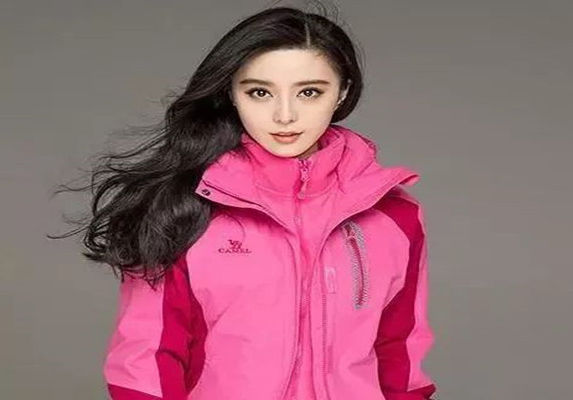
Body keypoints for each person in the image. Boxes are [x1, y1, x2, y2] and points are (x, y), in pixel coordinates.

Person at [56, 4, 437, 399]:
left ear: (342, 92)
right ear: (232, 95)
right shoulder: (184, 206)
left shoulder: (395, 215)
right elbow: (145, 363)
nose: (285, 115)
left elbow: (400, 355)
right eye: (260, 92)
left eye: (309, 92)